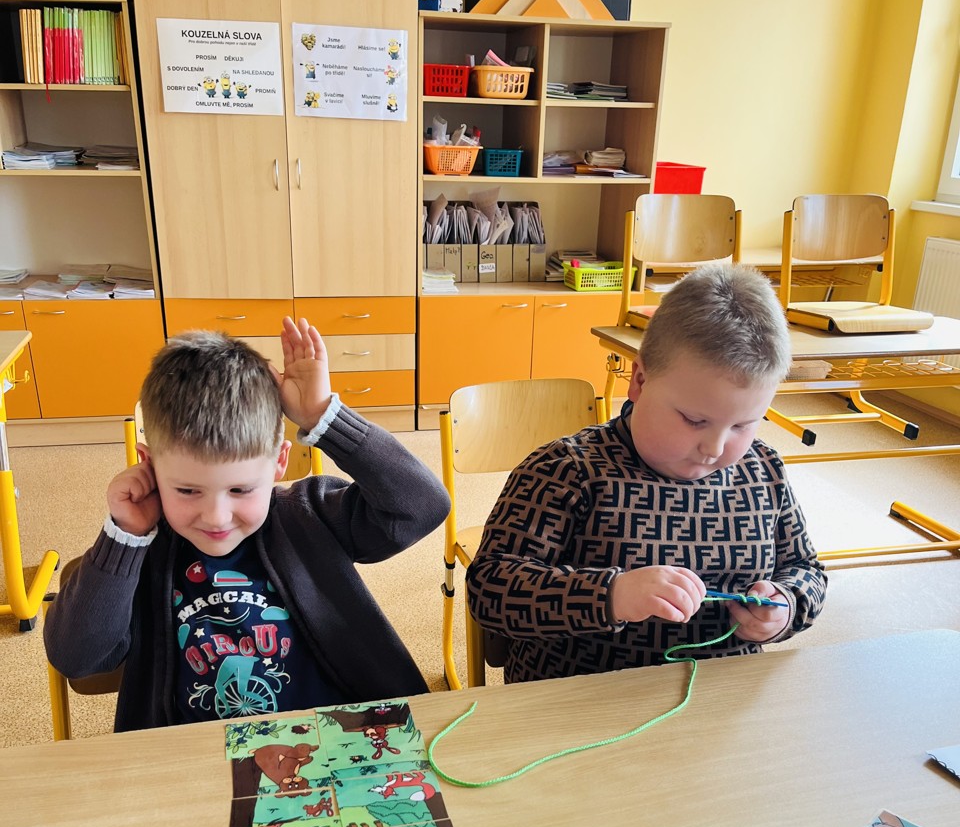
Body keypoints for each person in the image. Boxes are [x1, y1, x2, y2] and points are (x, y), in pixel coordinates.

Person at [44, 317, 449, 731]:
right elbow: (76, 658)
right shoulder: (141, 549)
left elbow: (422, 506)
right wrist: (124, 537)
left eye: (240, 490)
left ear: (279, 462)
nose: (216, 516)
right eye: (187, 490)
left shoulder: (309, 515)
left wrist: (323, 417)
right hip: (194, 753)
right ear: (149, 467)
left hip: (333, 740)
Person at [467, 262, 827, 684]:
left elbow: (806, 569)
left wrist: (785, 605)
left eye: (743, 425)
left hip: (719, 693)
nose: (714, 448)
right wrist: (611, 596)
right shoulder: (565, 470)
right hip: (580, 696)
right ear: (639, 380)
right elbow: (489, 589)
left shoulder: (763, 470)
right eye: (694, 420)